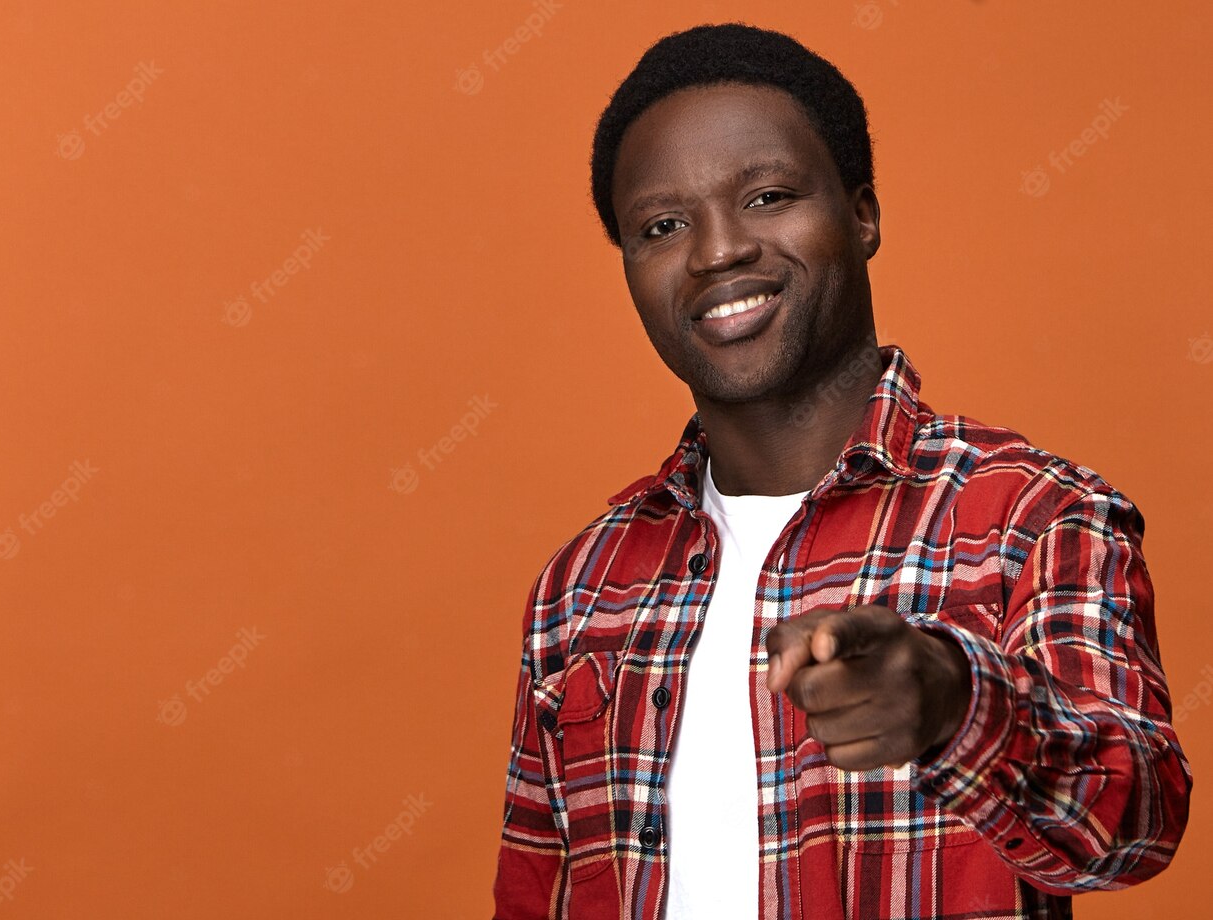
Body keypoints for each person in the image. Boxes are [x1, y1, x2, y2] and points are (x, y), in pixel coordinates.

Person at [490, 21, 1192, 920]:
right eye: (663, 225)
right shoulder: (580, 585)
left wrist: (957, 707)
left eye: (769, 195)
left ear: (862, 215)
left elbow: (1135, 826)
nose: (716, 252)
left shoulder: (1037, 517)